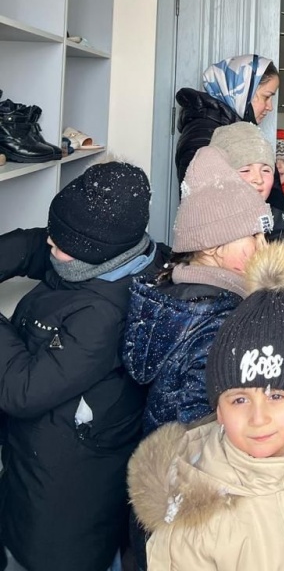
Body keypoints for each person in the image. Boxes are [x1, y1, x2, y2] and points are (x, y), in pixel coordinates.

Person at [128, 242, 284, 571]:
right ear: (218, 410)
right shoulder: (191, 507)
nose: (258, 418)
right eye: (239, 399)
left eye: (277, 396)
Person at [0, 162, 157, 571]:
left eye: (62, 241)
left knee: (42, 554)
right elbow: (35, 246)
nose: (51, 242)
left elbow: (22, 389)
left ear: (94, 251)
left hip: (65, 484)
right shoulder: (106, 255)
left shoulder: (102, 316)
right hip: (47, 452)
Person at [122, 145, 273, 435]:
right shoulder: (218, 324)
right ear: (211, 246)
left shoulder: (176, 298)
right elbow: (202, 428)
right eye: (254, 236)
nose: (264, 247)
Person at [173, 53, 281, 182]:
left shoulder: (240, 130)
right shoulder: (202, 134)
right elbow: (201, 191)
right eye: (266, 97)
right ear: (244, 92)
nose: (270, 107)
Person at [209, 120, 284, 239]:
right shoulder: (204, 224)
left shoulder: (278, 217)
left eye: (266, 170)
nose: (259, 179)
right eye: (245, 170)